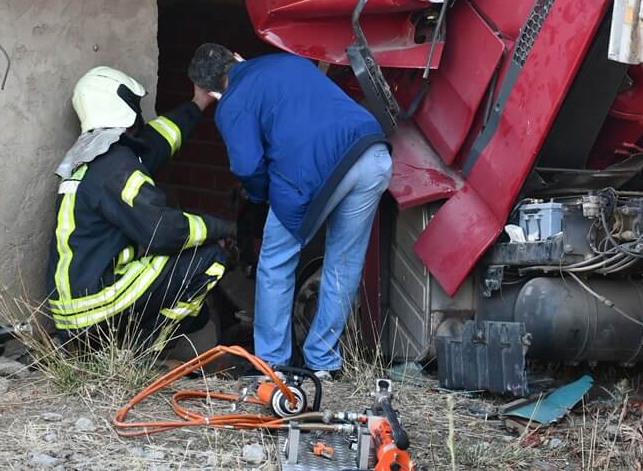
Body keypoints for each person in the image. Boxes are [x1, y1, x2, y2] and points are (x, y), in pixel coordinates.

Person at [188, 44, 392, 378]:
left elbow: (247, 165)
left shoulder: (232, 102)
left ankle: (273, 365)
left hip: (312, 171)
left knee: (275, 263)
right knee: (344, 263)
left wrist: (260, 195)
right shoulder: (287, 61)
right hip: (372, 153)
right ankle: (323, 362)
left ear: (212, 92)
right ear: (238, 56)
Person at [46, 66, 238, 352]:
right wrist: (223, 229)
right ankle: (146, 357)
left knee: (180, 274)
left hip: (74, 312)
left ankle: (129, 347)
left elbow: (157, 140)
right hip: (97, 306)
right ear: (121, 106)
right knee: (209, 258)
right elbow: (163, 231)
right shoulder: (117, 167)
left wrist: (199, 103)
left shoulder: (91, 155)